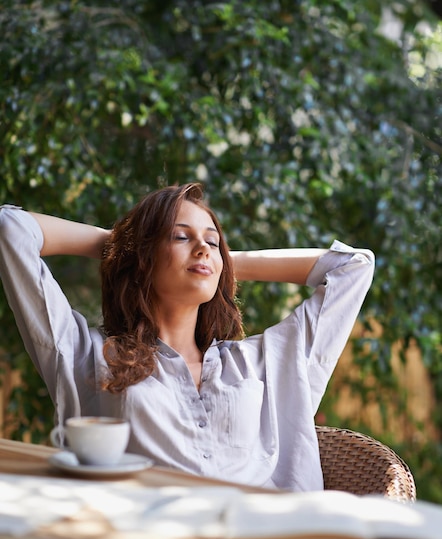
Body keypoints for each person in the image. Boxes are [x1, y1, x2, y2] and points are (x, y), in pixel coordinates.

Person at [0, 183, 374, 491]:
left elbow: (352, 268)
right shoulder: (89, 355)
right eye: (180, 236)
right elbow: (11, 228)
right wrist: (121, 249)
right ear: (143, 259)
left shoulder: (262, 362)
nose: (202, 249)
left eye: (212, 242)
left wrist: (221, 262)